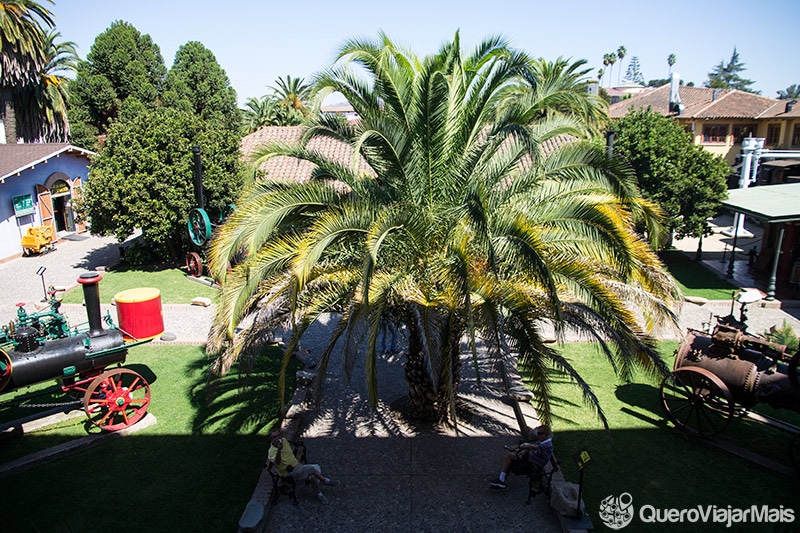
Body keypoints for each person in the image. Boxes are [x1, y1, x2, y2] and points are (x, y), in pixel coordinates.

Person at [267, 427, 339, 504]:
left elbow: (282, 433)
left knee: (312, 477)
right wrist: (279, 450)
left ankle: (320, 494)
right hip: (289, 473)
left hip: (297, 466)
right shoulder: (272, 452)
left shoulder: (283, 441)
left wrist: (281, 434)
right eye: (274, 437)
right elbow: (277, 462)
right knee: (311, 469)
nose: (277, 438)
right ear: (271, 439)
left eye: (278, 436)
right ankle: (325, 480)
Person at [490, 425, 553, 491]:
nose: (537, 435)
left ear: (546, 435)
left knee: (510, 456)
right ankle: (501, 480)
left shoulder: (547, 445)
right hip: (530, 460)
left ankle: (501, 480)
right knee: (510, 456)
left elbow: (532, 447)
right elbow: (532, 447)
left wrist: (519, 447)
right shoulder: (543, 441)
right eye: (538, 433)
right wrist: (522, 451)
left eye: (539, 433)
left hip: (533, 466)